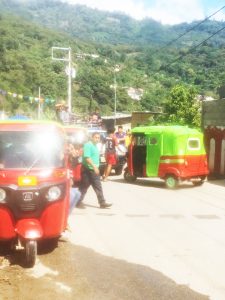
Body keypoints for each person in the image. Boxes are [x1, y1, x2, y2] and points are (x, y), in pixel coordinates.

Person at [77, 132, 112, 209]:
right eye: (96, 137)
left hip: (92, 170)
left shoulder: (95, 146)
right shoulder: (88, 145)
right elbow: (87, 157)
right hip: (88, 170)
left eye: (98, 138)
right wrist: (95, 167)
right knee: (85, 187)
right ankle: (77, 201)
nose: (97, 139)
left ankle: (101, 202)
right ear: (92, 137)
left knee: (93, 186)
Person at [67, 143, 82, 214]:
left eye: (73, 149)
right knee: (73, 194)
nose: (73, 151)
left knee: (77, 193)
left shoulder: (74, 158)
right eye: (71, 149)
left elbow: (78, 161)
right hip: (68, 180)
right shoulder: (66, 158)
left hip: (75, 178)